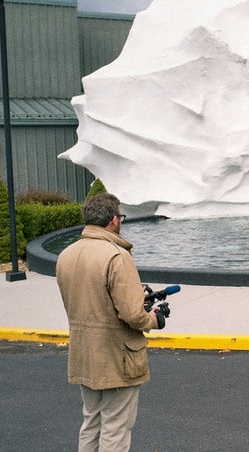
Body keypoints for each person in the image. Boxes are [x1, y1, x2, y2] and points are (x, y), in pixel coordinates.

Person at [56, 192, 169, 451]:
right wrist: (153, 318)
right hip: (117, 357)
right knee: (116, 428)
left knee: (91, 422)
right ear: (113, 221)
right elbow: (132, 315)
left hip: (84, 354)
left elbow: (89, 301)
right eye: (121, 216)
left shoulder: (67, 255)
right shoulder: (117, 256)